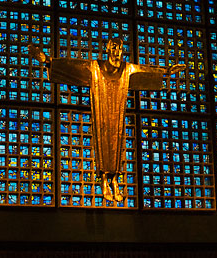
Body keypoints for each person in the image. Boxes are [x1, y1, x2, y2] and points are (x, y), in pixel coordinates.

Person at [29, 38, 185, 201]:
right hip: (101, 108)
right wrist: (47, 60)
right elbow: (72, 66)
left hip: (117, 110)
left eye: (119, 48)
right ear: (108, 49)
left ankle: (115, 180)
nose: (116, 51)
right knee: (102, 138)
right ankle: (104, 180)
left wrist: (166, 71)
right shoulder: (95, 68)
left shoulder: (128, 70)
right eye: (113, 47)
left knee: (117, 140)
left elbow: (145, 70)